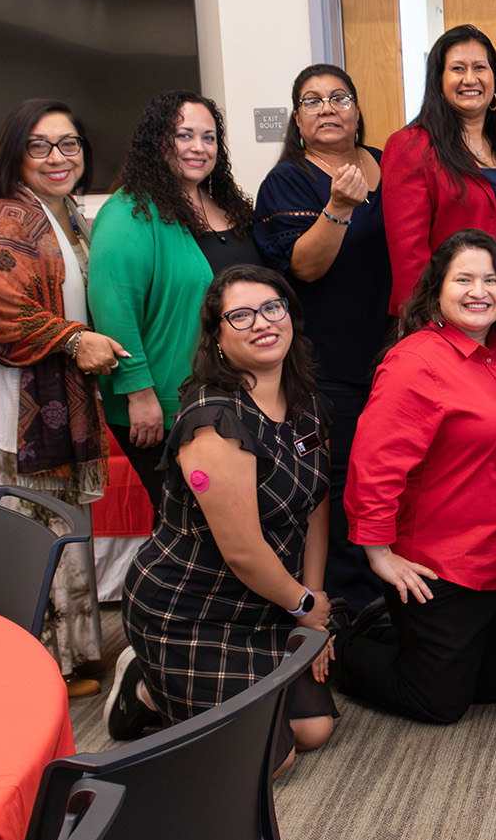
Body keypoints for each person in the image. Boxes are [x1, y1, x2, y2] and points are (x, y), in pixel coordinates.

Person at [106, 266, 337, 771]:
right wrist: (303, 605)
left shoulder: (307, 402)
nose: (262, 322)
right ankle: (147, 689)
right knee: (273, 761)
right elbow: (242, 551)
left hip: (266, 601)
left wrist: (314, 606)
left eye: (272, 308)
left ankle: (173, 693)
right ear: (217, 337)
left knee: (314, 729)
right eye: (241, 316)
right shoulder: (214, 423)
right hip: (191, 608)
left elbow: (317, 503)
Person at [341, 230, 496, 724]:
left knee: (494, 689)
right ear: (437, 289)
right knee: (438, 703)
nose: (479, 291)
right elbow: (374, 463)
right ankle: (336, 646)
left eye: (491, 280)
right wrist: (379, 554)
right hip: (440, 564)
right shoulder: (416, 361)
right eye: (464, 279)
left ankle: (401, 631)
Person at [0, 99, 129, 695]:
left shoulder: (71, 213)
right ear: (16, 153)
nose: (57, 157)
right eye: (39, 146)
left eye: (69, 144)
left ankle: (76, 652)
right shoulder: (7, 217)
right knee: (35, 524)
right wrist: (75, 340)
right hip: (25, 403)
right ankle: (39, 663)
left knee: (65, 522)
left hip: (66, 393)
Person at [254, 63, 390, 614]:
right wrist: (338, 208)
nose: (328, 108)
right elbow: (304, 267)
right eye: (312, 101)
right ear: (297, 119)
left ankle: (393, 592)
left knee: (392, 475)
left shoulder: (388, 164)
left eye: (340, 97)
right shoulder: (286, 181)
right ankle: (349, 609)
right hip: (328, 362)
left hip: (395, 356)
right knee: (343, 479)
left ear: (357, 110)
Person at [88, 91, 258, 503]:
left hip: (233, 393)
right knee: (190, 521)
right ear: (157, 142)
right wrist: (139, 393)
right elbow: (114, 308)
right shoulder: (129, 211)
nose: (199, 147)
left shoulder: (225, 205)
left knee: (233, 516)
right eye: (184, 135)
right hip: (166, 402)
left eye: (209, 137)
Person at [383, 25, 496, 366]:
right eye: (458, 68)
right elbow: (409, 255)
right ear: (438, 81)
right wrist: (428, 324)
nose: (470, 78)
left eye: (480, 67)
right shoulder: (411, 146)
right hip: (458, 313)